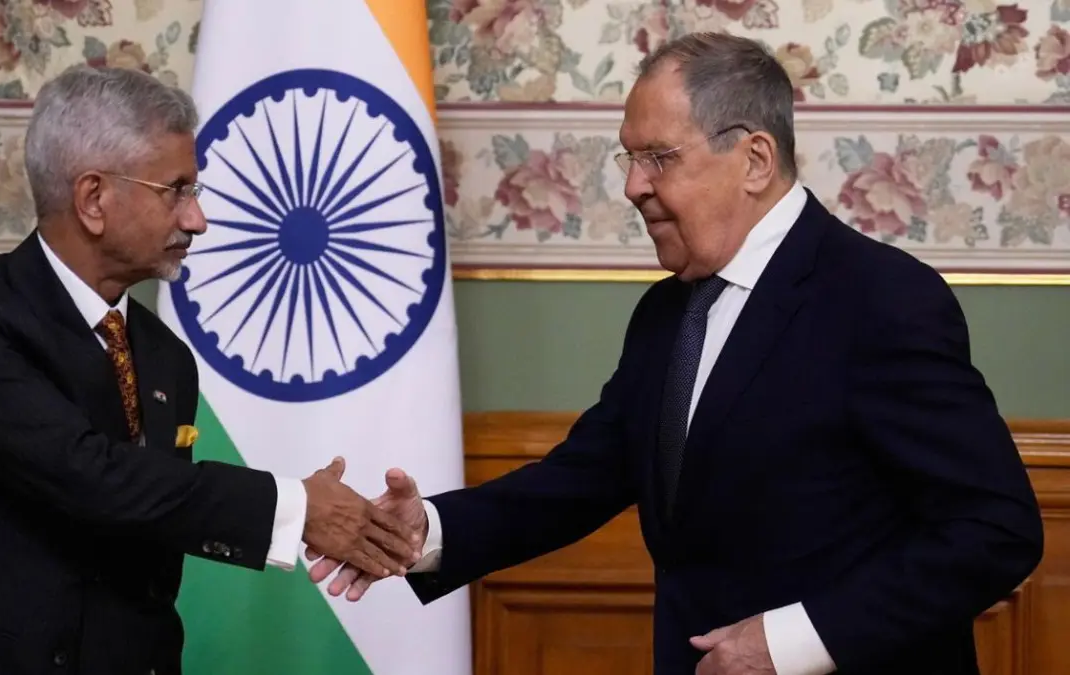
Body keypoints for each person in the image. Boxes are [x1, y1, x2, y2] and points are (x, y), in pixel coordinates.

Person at [307, 32, 1044, 675]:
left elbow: (995, 530)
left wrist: (793, 642)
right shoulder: (670, 310)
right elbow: (583, 478)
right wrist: (426, 531)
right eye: (629, 159)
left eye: (658, 158)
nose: (633, 187)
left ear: (754, 159)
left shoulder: (880, 298)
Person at [0, 65, 420, 675]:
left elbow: (154, 526)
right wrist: (294, 508)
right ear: (93, 199)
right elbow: (87, 474)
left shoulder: (164, 357)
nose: (196, 219)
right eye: (176, 190)